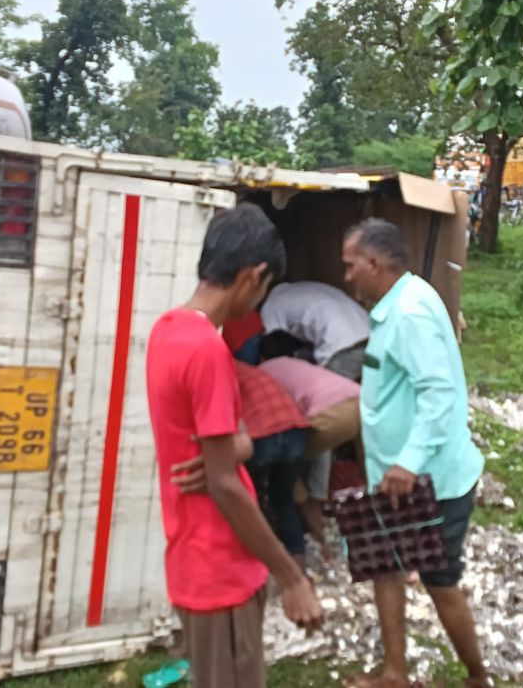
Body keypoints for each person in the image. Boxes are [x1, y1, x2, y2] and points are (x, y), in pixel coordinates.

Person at [145, 204, 321, 688]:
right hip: (218, 567)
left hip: (198, 558)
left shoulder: (169, 329)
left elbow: (232, 440)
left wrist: (230, 452)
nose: (259, 302)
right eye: (265, 288)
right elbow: (225, 484)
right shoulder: (207, 350)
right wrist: (292, 578)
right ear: (253, 276)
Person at [340, 217, 487, 688]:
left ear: (373, 263)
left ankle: (477, 677)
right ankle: (394, 674)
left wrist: (409, 460)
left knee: (440, 581)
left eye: (350, 265)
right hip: (394, 479)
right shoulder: (398, 303)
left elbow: (438, 394)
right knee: (386, 566)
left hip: (430, 480)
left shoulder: (410, 314)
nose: (346, 275)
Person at [258, 334, 362, 551]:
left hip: (329, 414)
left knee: (287, 472)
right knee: (370, 476)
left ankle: (317, 535)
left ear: (262, 355)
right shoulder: (299, 364)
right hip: (360, 402)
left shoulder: (264, 371)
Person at [235, 360, 311, 566]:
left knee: (246, 499)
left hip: (262, 435)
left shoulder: (222, 373)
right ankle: (297, 564)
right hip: (296, 431)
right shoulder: (252, 372)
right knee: (283, 498)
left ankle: (257, 561)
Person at [260, 280, 370, 380]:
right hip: (370, 335)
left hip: (341, 346)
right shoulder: (301, 288)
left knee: (333, 391)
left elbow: (275, 350)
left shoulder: (270, 306)